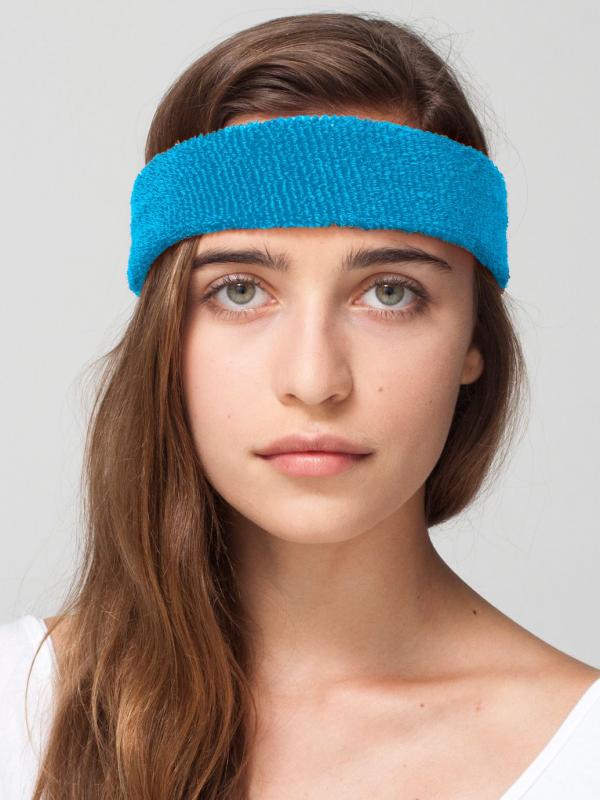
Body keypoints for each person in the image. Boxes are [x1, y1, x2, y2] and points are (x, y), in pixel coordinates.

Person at [2, 11, 599, 800]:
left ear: (472, 344)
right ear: (166, 340)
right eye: (239, 291)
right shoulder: (18, 711)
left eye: (390, 293)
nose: (315, 380)